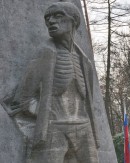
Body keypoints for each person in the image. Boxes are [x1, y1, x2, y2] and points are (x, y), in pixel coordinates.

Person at [11, 2, 100, 163]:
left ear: (73, 20)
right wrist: (45, 114)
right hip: (54, 129)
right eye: (48, 18)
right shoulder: (45, 53)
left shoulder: (84, 62)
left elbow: (89, 100)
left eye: (58, 16)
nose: (51, 21)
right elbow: (22, 99)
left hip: (84, 129)